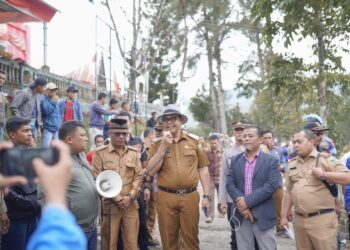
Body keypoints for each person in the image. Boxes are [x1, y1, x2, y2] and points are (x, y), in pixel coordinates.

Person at [146, 104, 211, 250]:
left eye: (173, 119)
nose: (169, 122)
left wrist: (207, 196)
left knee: (191, 239)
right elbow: (150, 172)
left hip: (190, 196)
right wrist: (163, 147)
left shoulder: (194, 141)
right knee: (168, 240)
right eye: (166, 120)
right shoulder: (157, 144)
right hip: (165, 197)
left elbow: (203, 169)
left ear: (181, 121)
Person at [281, 129, 350, 250]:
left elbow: (347, 177)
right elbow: (288, 192)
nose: (296, 145)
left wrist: (323, 174)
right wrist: (283, 216)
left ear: (312, 142)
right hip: (300, 221)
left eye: (299, 141)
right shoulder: (292, 164)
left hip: (321, 221)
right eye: (294, 142)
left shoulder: (325, 159)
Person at [226, 125, 281, 250]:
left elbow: (272, 185)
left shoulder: (271, 161)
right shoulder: (235, 160)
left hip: (263, 214)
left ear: (260, 140)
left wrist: (247, 202)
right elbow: (229, 183)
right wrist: (242, 206)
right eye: (244, 136)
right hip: (241, 214)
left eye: (250, 136)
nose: (246, 139)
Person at [92, 118, 142, 250]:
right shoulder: (99, 153)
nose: (121, 137)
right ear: (109, 133)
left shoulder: (133, 153)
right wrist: (118, 198)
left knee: (131, 245)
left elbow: (138, 177)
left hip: (131, 205)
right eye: (117, 133)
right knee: (109, 245)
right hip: (110, 206)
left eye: (124, 134)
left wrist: (130, 197)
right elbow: (97, 177)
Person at [28, 140, 86, 250]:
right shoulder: (50, 169)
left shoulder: (81, 159)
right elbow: (60, 242)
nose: (85, 139)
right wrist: (56, 198)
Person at [58, 121, 99, 250]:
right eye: (82, 135)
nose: (86, 138)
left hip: (90, 227)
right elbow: (45, 197)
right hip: (73, 229)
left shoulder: (80, 156)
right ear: (69, 139)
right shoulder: (57, 161)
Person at [1, 117, 41, 250]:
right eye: (25, 131)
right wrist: (2, 211)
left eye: (30, 130)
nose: (30, 133)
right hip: (16, 215)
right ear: (12, 134)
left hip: (33, 212)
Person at [218, 121, 245, 250]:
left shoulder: (254, 150)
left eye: (242, 129)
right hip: (232, 200)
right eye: (237, 130)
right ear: (233, 132)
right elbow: (223, 178)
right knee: (235, 233)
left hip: (251, 199)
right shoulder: (227, 153)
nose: (239, 132)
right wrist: (222, 200)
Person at [261, 130, 287, 238]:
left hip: (277, 184)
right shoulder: (259, 152)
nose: (267, 140)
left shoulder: (277, 151)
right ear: (261, 140)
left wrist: (281, 167)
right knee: (264, 207)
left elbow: (284, 165)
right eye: (265, 138)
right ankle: (265, 228)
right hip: (263, 185)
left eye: (269, 138)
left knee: (278, 207)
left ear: (273, 139)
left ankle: (280, 229)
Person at [206, 134, 223, 222]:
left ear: (218, 142)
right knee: (210, 197)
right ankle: (210, 216)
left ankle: (221, 211)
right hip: (210, 177)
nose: (213, 145)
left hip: (220, 177)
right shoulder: (207, 152)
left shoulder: (222, 151)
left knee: (221, 195)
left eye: (215, 143)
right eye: (212, 143)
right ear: (209, 143)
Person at [40, 82, 60, 147]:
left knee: (56, 150)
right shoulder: (43, 99)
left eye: (55, 90)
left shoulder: (54, 100)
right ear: (47, 90)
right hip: (48, 128)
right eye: (52, 90)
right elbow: (46, 111)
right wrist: (54, 102)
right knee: (45, 150)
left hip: (56, 128)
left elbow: (58, 114)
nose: (54, 92)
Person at [0, 70, 7, 141]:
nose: (1, 80)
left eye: (3, 78)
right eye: (0, 78)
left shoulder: (2, 92)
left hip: (1, 124)